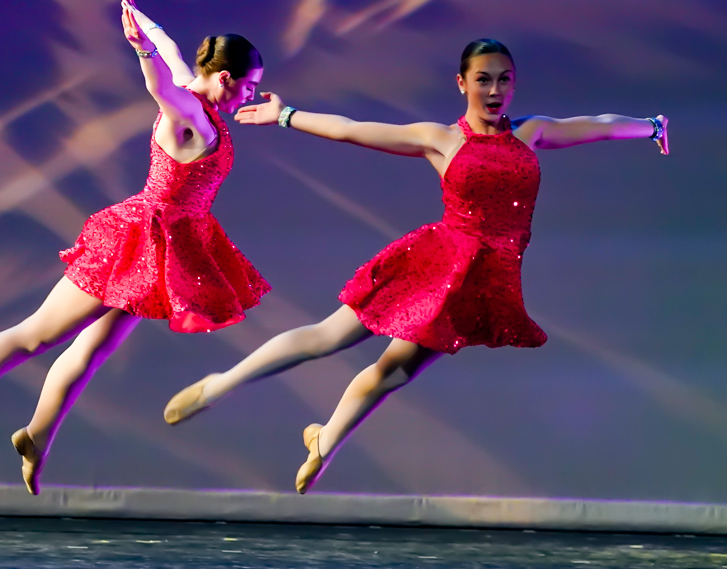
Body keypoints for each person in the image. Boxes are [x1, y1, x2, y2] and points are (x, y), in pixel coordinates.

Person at [164, 38, 670, 493]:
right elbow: (353, 130)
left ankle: (324, 440)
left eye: (505, 80)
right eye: (483, 80)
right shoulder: (442, 139)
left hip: (481, 281)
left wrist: (651, 127)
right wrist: (286, 115)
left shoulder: (531, 133)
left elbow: (599, 126)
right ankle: (219, 385)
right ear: (462, 83)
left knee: (394, 371)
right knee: (329, 337)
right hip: (433, 262)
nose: (495, 91)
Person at [0, 0, 270, 494]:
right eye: (249, 86)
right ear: (225, 77)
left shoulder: (194, 94)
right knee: (36, 336)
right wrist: (141, 47)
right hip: (136, 239)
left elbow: (170, 54)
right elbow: (158, 82)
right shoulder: (189, 115)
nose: (250, 96)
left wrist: (142, 23)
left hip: (164, 249)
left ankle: (37, 436)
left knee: (92, 351)